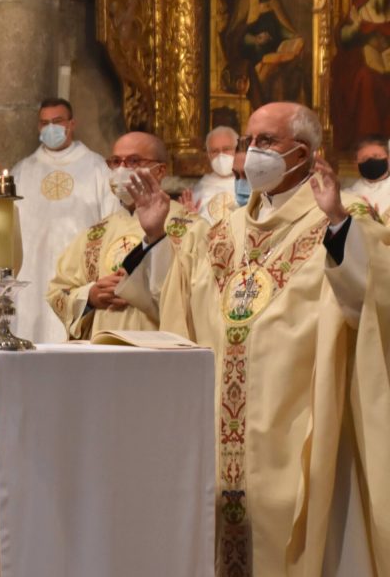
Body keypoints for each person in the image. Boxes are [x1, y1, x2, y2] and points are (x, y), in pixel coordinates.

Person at [117, 102, 390, 576]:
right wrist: (157, 236)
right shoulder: (222, 233)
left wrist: (339, 225)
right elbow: (174, 310)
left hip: (308, 427)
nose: (251, 152)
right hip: (226, 442)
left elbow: (369, 301)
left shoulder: (346, 219)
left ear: (304, 153)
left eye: (267, 141)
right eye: (249, 142)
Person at [47, 131, 194, 340]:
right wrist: (89, 296)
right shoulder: (95, 234)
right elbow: (58, 291)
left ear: (160, 171)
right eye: (115, 162)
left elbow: (195, 298)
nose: (121, 169)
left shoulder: (190, 228)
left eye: (133, 161)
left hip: (156, 351)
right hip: (101, 353)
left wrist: (134, 287)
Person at [9, 97, 119, 344]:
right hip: (31, 281)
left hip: (77, 281)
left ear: (72, 124)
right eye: (44, 123)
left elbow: (112, 225)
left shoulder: (97, 168)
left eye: (57, 121)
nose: (51, 128)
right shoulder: (22, 171)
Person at [331, 0, 390, 148]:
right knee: (365, 77)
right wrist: (356, 27)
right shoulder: (359, 5)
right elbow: (343, 39)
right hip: (365, 63)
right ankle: (369, 137)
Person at [185, 125, 238, 224]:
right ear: (208, 155)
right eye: (215, 151)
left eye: (226, 149)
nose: (221, 155)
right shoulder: (199, 189)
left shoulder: (249, 185)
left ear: (237, 149)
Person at [344, 134, 390, 220]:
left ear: (388, 158)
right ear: (356, 165)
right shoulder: (348, 195)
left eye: (376, 156)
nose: (371, 161)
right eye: (364, 159)